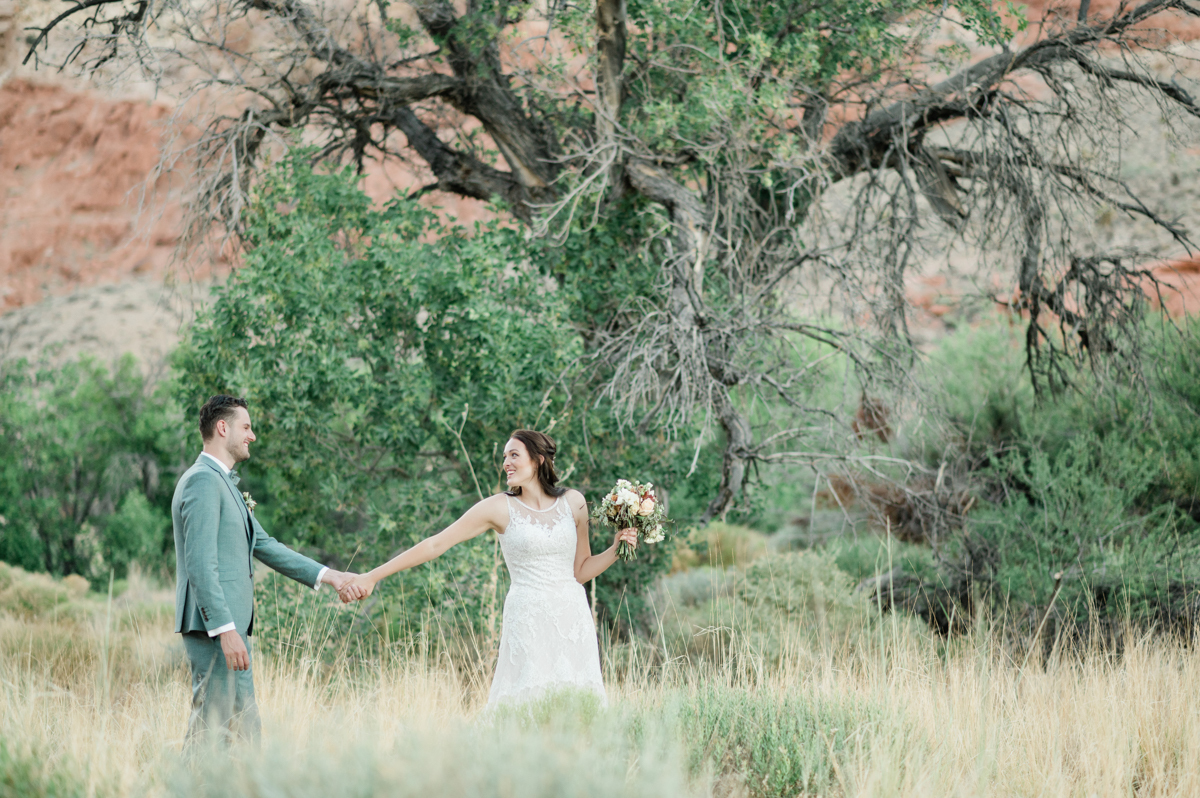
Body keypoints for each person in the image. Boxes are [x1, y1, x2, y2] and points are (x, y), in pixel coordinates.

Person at [338, 429, 636, 709]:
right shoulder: (497, 508)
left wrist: (615, 548)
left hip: (573, 620)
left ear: (538, 460)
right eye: (504, 456)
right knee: (526, 704)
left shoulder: (574, 502)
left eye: (514, 455)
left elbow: (580, 571)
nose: (506, 462)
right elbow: (435, 545)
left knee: (578, 703)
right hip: (528, 618)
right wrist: (372, 576)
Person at [172, 394, 366, 746]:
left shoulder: (223, 482)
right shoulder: (202, 481)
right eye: (246, 427)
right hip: (217, 629)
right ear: (222, 427)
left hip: (232, 631)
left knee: (246, 732)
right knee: (210, 732)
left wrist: (331, 576)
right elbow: (200, 565)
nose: (252, 435)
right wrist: (225, 629)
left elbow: (266, 545)